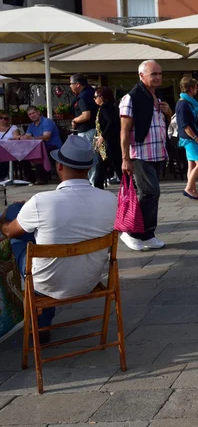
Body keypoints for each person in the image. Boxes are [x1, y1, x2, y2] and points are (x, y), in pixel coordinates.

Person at [0, 135, 117, 342]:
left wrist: (3, 217)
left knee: (17, 225)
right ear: (88, 168)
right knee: (41, 230)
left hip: (46, 283)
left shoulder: (41, 201)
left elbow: (9, 231)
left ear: (59, 166)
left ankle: (41, 326)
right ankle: (42, 323)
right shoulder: (110, 199)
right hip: (89, 280)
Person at [119, 60, 172, 251]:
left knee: (150, 195)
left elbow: (162, 124)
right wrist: (125, 158)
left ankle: (147, 234)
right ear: (141, 76)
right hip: (140, 154)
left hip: (158, 152)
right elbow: (124, 131)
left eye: (159, 73)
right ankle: (132, 232)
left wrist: (168, 112)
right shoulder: (131, 98)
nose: (158, 77)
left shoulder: (157, 98)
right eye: (153, 74)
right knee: (150, 192)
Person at [176, 76, 198, 201]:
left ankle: (193, 189)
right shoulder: (183, 104)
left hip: (189, 137)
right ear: (191, 89)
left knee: (192, 164)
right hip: (189, 138)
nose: (197, 90)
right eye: (196, 88)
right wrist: (197, 139)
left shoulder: (187, 103)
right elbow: (185, 125)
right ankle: (189, 188)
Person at [69, 73, 99, 185]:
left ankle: (93, 183)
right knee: (94, 157)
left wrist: (75, 120)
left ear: (77, 84)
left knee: (89, 157)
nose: (70, 86)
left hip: (87, 131)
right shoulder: (92, 92)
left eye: (71, 84)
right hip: (94, 129)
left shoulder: (83, 97)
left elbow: (86, 115)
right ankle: (95, 182)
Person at [22, 106, 62, 185]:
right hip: (38, 147)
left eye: (33, 113)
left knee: (40, 152)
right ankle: (30, 178)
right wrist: (21, 137)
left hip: (53, 146)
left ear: (38, 112)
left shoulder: (47, 122)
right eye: (30, 114)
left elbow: (46, 137)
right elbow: (27, 137)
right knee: (22, 154)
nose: (32, 115)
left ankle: (41, 178)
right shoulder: (31, 125)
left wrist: (31, 138)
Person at [92, 87, 123, 189]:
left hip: (108, 144)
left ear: (102, 97)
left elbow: (111, 122)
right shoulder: (110, 107)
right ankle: (129, 187)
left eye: (96, 97)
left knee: (101, 168)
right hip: (113, 143)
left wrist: (102, 137)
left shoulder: (105, 107)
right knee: (117, 166)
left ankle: (98, 188)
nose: (94, 99)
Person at [0, 112, 22, 181]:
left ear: (8, 120)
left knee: (4, 154)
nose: (2, 120)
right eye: (0, 118)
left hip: (11, 149)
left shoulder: (13, 127)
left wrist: (12, 139)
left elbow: (16, 137)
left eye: (5, 118)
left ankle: (3, 176)